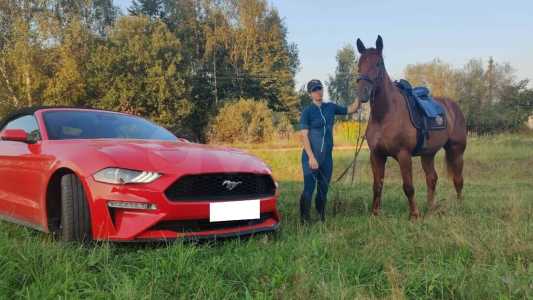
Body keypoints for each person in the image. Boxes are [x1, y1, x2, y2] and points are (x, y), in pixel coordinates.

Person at [299, 79, 360, 223]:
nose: (318, 91)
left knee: (323, 189)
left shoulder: (330, 107)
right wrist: (311, 157)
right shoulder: (307, 111)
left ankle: (321, 217)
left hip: (327, 158)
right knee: (309, 188)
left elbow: (351, 109)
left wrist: (360, 95)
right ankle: (304, 219)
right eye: (314, 90)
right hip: (311, 158)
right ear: (310, 94)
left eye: (319, 88)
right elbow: (304, 136)